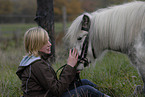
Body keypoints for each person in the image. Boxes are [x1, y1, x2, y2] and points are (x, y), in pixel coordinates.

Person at [16, 27, 110, 97]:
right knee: (86, 90)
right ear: (36, 44)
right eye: (45, 42)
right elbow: (57, 91)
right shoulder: (37, 65)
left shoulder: (35, 61)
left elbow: (55, 85)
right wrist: (69, 66)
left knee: (84, 82)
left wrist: (72, 70)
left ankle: (111, 92)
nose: (50, 44)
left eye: (48, 41)